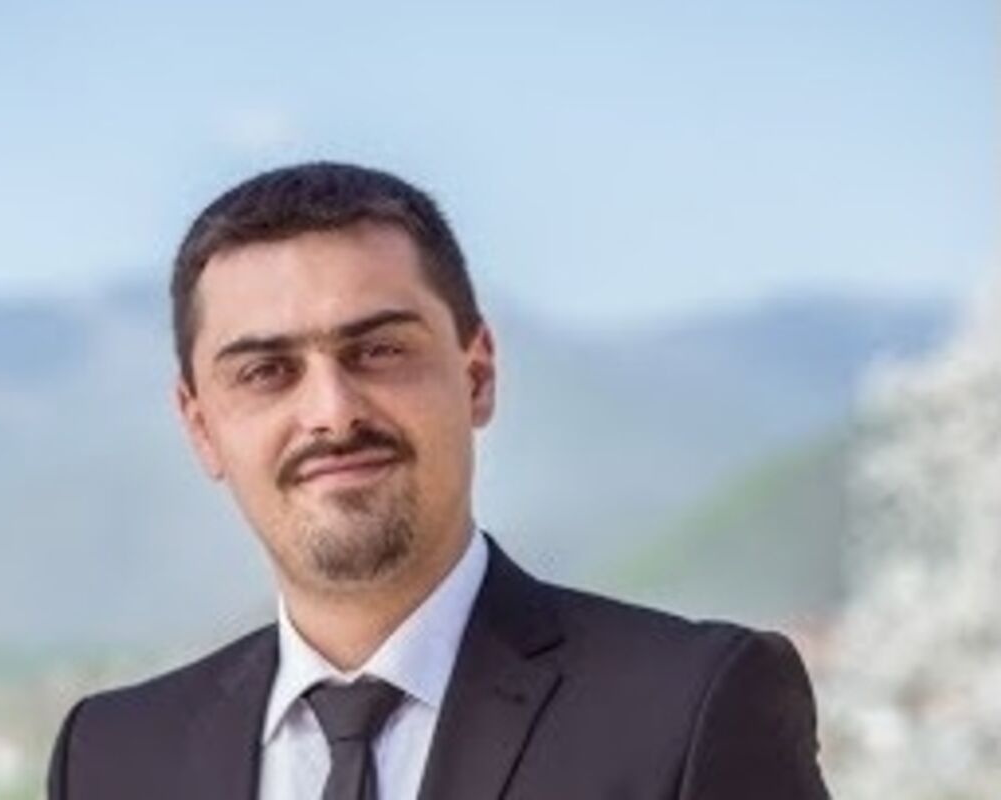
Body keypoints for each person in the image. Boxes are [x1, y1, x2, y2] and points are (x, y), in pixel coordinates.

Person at [46, 162, 829, 799]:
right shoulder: (111, 760)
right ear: (201, 427)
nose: (332, 413)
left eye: (378, 351)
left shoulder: (690, 708)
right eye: (267, 371)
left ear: (477, 375)